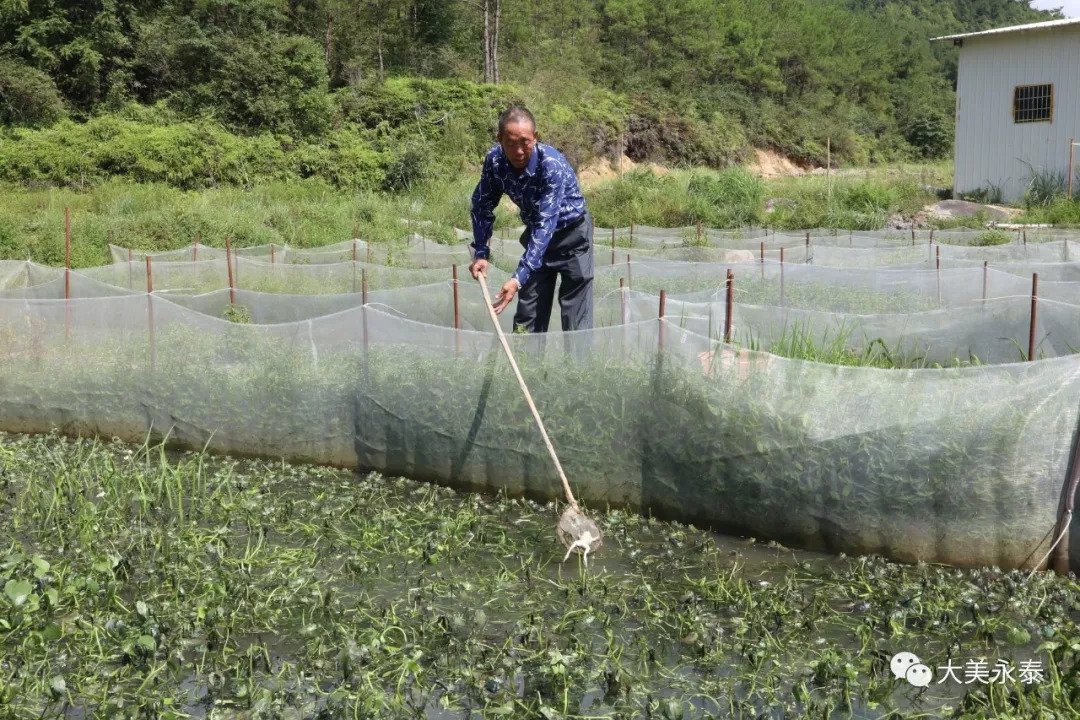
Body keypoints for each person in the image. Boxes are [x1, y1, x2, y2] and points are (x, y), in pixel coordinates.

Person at [468, 105, 594, 333]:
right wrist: (481, 252)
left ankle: (578, 369)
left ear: (535, 137)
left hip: (572, 237)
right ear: (499, 139)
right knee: (528, 315)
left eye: (525, 142)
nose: (518, 151)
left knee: (576, 319)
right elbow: (482, 205)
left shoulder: (551, 165)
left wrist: (517, 279)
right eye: (511, 143)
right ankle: (528, 367)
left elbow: (546, 223)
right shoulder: (494, 161)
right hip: (537, 238)